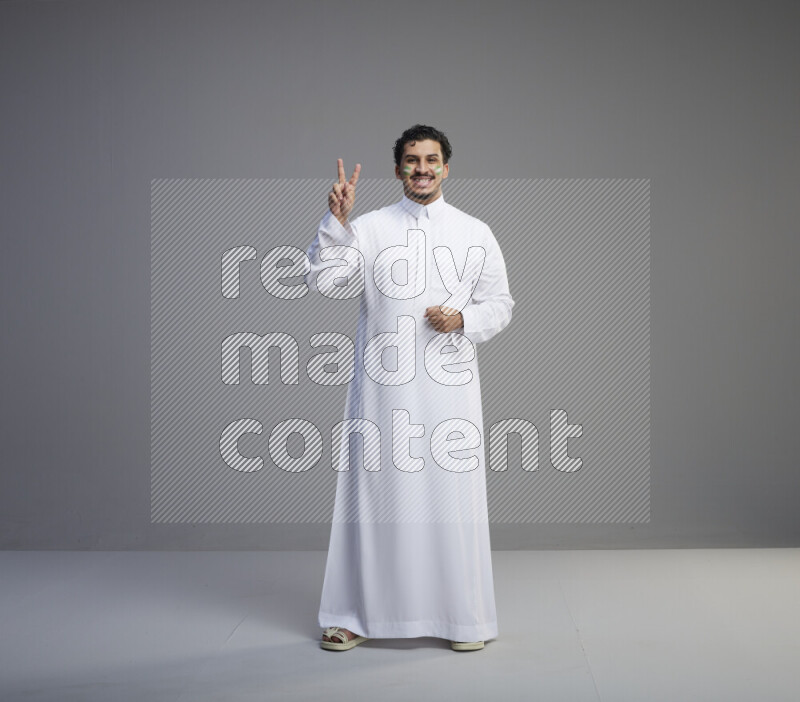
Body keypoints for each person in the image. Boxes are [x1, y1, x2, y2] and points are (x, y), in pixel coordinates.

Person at [304, 124, 515, 652]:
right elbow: (326, 282)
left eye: (432, 159)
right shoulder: (370, 228)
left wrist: (462, 319)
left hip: (449, 391)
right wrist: (337, 221)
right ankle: (353, 614)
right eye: (412, 160)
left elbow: (501, 304)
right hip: (383, 392)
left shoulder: (475, 231)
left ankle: (460, 618)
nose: (422, 168)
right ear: (397, 168)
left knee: (450, 499)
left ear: (447, 166)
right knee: (372, 498)